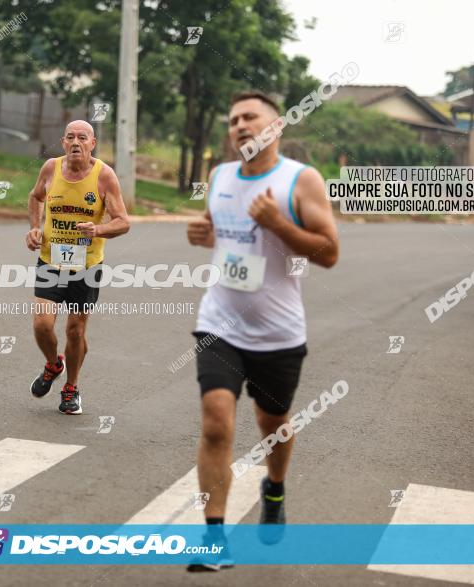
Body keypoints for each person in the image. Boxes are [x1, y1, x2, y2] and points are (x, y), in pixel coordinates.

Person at [185, 90, 339, 571]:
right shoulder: (221, 176)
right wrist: (203, 233)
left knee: (272, 423)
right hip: (219, 323)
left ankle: (274, 488)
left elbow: (328, 253)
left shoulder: (301, 180)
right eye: (233, 120)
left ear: (276, 127)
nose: (239, 126)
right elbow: (219, 228)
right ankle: (214, 539)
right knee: (216, 421)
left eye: (250, 117)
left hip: (278, 333)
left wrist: (279, 224)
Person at [25, 120, 130, 414]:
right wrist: (35, 228)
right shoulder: (50, 169)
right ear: (62, 142)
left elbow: (123, 222)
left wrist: (97, 230)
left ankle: (71, 387)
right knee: (42, 324)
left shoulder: (104, 176)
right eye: (70, 137)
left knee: (75, 331)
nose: (75, 142)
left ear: (92, 143)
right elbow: (35, 197)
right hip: (51, 259)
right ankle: (53, 364)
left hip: (86, 265)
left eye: (82, 138)